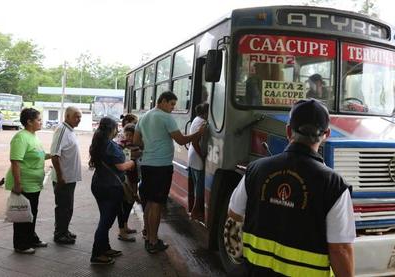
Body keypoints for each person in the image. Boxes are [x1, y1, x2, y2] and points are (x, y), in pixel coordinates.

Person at [227, 99, 355, 277]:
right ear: (327, 134)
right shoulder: (334, 185)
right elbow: (340, 249)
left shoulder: (255, 170)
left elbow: (234, 215)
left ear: (288, 131)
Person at [134, 91, 205, 254]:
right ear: (163, 101)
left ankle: (147, 235)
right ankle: (153, 241)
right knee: (157, 204)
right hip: (161, 167)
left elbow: (136, 141)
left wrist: (150, 147)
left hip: (147, 165)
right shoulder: (166, 117)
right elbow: (181, 140)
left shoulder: (145, 117)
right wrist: (199, 134)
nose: (173, 108)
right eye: (172, 104)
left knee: (149, 202)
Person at [89, 117, 135, 265]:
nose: (118, 131)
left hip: (99, 184)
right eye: (116, 128)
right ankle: (97, 254)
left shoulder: (98, 143)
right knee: (105, 222)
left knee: (105, 218)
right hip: (110, 187)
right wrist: (132, 162)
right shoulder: (109, 145)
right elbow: (121, 167)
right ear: (111, 129)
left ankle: (105, 248)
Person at [5, 108, 50, 254]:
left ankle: (31, 238)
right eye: (38, 119)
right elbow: (15, 162)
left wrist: (54, 155)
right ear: (29, 122)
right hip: (24, 184)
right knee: (22, 214)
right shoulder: (21, 137)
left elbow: (38, 156)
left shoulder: (33, 136)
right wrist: (18, 184)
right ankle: (21, 245)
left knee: (31, 213)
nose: (41, 122)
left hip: (34, 185)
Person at [50, 106, 82, 244]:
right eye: (76, 116)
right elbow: (54, 155)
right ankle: (59, 234)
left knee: (68, 207)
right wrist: (60, 176)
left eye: (80, 117)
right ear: (67, 116)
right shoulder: (62, 130)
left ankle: (64, 230)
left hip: (70, 178)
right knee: (63, 207)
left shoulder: (70, 131)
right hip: (63, 179)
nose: (78, 119)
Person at [116, 123, 141, 242]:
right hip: (126, 176)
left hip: (134, 175)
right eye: (127, 135)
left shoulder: (137, 144)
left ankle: (125, 226)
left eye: (131, 135)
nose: (129, 137)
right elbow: (125, 158)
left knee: (130, 202)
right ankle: (122, 230)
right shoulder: (121, 145)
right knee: (124, 202)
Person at [188, 103, 209, 221]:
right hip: (197, 157)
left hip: (193, 157)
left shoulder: (196, 119)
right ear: (206, 113)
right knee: (199, 188)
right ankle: (195, 212)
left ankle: (195, 211)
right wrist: (202, 156)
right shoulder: (202, 123)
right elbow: (195, 142)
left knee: (197, 185)